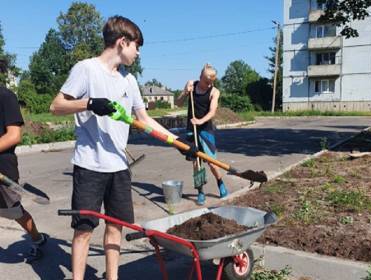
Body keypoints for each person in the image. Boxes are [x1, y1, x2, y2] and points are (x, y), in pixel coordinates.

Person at [50, 16, 195, 280]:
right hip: (90, 166)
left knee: (116, 227)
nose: (138, 53)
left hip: (119, 167)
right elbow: (56, 105)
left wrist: (180, 143)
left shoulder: (128, 81)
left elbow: (145, 120)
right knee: (84, 230)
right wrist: (90, 103)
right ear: (122, 42)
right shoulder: (86, 69)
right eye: (136, 47)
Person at [0, 85, 47, 263]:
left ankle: (37, 239)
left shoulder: (6, 96)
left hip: (3, 167)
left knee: (14, 211)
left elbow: (13, 136)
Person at [176, 64, 228, 205]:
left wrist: (200, 121)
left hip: (205, 130)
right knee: (196, 163)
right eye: (206, 82)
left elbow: (212, 112)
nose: (208, 84)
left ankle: (220, 183)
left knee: (211, 162)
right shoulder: (191, 85)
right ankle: (200, 192)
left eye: (211, 82)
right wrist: (185, 92)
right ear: (200, 77)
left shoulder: (214, 92)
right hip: (191, 129)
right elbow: (178, 103)